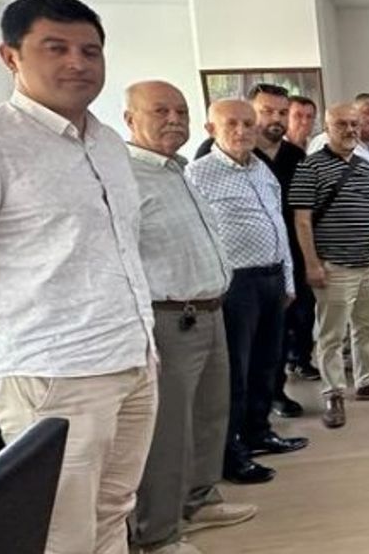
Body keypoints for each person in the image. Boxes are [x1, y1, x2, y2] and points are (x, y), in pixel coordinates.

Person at [0, 0, 157, 554]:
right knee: (59, 532)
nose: (78, 63)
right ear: (11, 56)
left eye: (90, 50)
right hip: (53, 371)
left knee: (113, 511)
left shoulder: (107, 143)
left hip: (132, 357)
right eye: (55, 48)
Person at [124, 81, 256, 554]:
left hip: (209, 310)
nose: (173, 120)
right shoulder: (124, 177)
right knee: (168, 431)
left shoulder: (180, 171)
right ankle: (158, 533)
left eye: (180, 111)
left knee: (209, 415)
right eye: (160, 111)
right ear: (130, 119)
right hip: (167, 319)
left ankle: (199, 500)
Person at [185, 100, 308, 485]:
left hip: (272, 280)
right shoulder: (197, 174)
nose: (242, 131)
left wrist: (288, 279)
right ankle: (231, 452)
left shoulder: (262, 169)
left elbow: (278, 225)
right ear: (211, 129)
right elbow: (194, 238)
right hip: (234, 286)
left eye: (248, 124)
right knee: (234, 373)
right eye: (231, 124)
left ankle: (259, 431)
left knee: (267, 364)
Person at [194, 85, 314, 411]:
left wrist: (291, 273)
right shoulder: (202, 166)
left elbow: (285, 217)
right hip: (236, 279)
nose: (274, 119)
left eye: (282, 112)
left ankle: (268, 408)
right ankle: (239, 430)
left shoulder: (281, 161)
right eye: (266, 111)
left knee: (272, 348)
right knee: (239, 357)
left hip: (281, 262)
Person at [291, 103, 369, 429]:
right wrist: (312, 264)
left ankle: (367, 381)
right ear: (327, 127)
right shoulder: (310, 167)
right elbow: (302, 221)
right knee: (331, 335)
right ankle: (333, 393)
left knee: (368, 326)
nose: (350, 130)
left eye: (354, 124)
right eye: (341, 124)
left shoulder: (367, 168)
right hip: (334, 266)